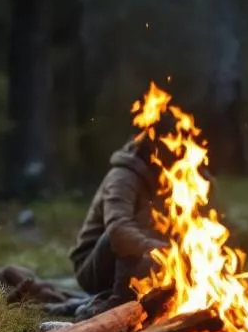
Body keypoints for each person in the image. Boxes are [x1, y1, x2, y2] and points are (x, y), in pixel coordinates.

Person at [64, 121, 177, 319]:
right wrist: (163, 252)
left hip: (136, 261)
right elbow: (118, 231)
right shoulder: (123, 176)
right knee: (126, 236)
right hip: (94, 267)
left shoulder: (171, 176)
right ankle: (116, 303)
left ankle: (130, 300)